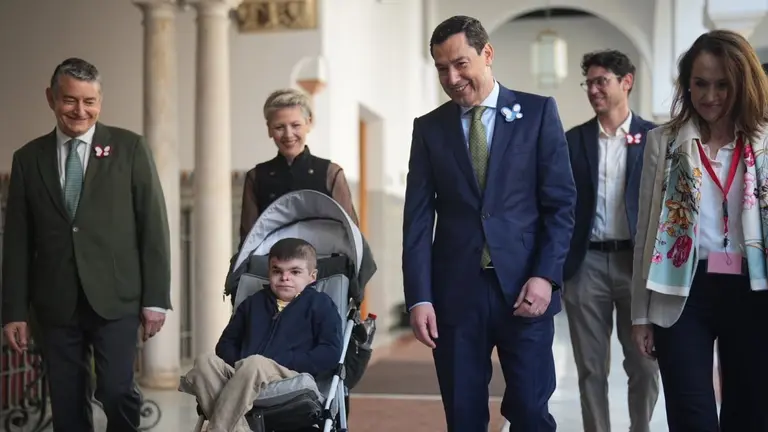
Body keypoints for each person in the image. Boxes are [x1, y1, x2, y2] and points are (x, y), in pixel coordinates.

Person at [402, 15, 576, 432]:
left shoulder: (537, 113)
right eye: (442, 68)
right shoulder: (429, 129)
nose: (452, 77)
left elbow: (561, 205)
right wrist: (419, 298)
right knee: (463, 416)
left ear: (487, 54)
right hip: (456, 296)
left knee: (532, 413)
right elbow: (418, 220)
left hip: (524, 289)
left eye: (461, 63)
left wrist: (545, 276)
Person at [1, 57, 171, 431]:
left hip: (116, 298)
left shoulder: (130, 149)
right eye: (70, 100)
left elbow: (153, 228)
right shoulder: (28, 160)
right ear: (51, 98)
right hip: (54, 301)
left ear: (100, 101)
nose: (80, 110)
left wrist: (155, 299)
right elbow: (16, 240)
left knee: (115, 389)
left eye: (90, 101)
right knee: (66, 400)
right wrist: (14, 309)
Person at [631, 29, 768, 431]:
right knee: (691, 416)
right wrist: (641, 314)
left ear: (742, 84)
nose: (711, 96)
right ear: (686, 85)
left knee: (752, 412)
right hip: (683, 291)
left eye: (723, 84)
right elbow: (647, 231)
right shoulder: (664, 142)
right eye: (700, 84)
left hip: (753, 288)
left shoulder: (763, 140)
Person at [563, 50, 659, 432]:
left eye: (602, 81)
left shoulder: (654, 138)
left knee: (644, 364)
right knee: (590, 367)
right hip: (585, 265)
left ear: (627, 82)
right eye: (589, 82)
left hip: (636, 266)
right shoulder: (573, 140)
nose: (593, 89)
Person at [181, 238, 342, 432]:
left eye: (295, 272)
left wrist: (283, 360)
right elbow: (224, 345)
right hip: (245, 375)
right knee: (204, 362)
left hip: (290, 375)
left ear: (312, 276)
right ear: (269, 273)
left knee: (256, 363)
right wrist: (242, 363)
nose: (285, 277)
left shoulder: (321, 305)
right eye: (277, 271)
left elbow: (330, 352)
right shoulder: (252, 304)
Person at [238, 88, 358, 246]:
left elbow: (351, 235)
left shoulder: (331, 173)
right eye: (279, 127)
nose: (288, 135)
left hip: (324, 266)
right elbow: (248, 239)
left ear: (308, 123)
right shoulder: (256, 177)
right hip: (271, 267)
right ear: (269, 129)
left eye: (295, 125)